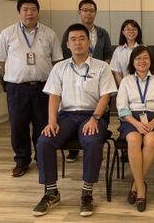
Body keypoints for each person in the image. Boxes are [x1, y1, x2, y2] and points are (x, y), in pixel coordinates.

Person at [32, 23, 117, 217]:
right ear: (67, 44)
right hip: (66, 116)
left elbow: (106, 96)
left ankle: (87, 193)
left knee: (93, 141)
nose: (77, 42)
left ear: (89, 42)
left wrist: (95, 118)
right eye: (73, 39)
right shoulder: (60, 68)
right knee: (44, 141)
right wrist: (51, 121)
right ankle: (51, 192)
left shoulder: (102, 67)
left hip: (92, 115)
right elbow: (54, 96)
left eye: (82, 38)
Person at [0, 0, 63, 177]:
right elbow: (0, 59)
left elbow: (57, 61)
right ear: (19, 12)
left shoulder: (49, 33)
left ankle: (42, 157)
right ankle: (21, 161)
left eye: (33, 9)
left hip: (43, 87)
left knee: (42, 124)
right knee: (18, 125)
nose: (29, 13)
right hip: (17, 88)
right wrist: (18, 72)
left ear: (38, 12)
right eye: (25, 9)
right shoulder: (8, 33)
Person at [116, 45, 154, 212]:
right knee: (133, 139)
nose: (142, 61)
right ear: (133, 62)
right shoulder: (126, 80)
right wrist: (137, 123)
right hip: (131, 119)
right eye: (138, 58)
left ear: (151, 61)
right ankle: (141, 189)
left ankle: (135, 185)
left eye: (145, 58)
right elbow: (122, 108)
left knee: (151, 140)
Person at [61, 0, 113, 162]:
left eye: (91, 10)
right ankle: (74, 149)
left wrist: (98, 70)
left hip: (97, 77)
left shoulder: (102, 33)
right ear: (79, 12)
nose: (88, 13)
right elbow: (65, 53)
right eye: (85, 10)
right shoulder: (71, 32)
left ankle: (95, 143)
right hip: (75, 74)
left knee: (100, 109)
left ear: (95, 13)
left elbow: (108, 55)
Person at [110, 19, 143, 86]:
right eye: (128, 29)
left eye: (134, 29)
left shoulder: (144, 48)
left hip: (142, 85)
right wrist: (123, 88)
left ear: (138, 31)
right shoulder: (118, 51)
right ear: (123, 32)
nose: (131, 32)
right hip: (124, 86)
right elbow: (117, 72)